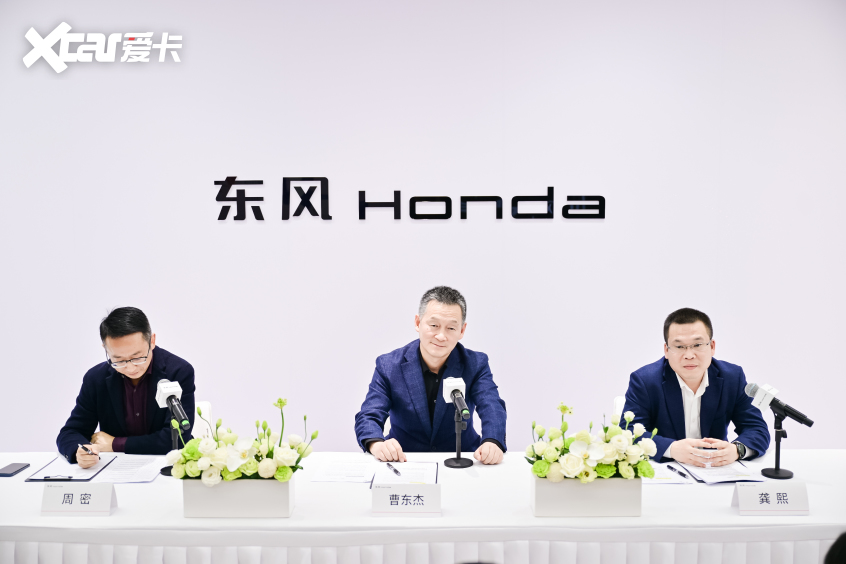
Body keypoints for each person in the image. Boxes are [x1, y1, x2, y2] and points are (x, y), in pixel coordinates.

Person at [355, 286, 507, 464]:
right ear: (418, 323)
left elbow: (492, 407)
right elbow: (369, 414)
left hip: (462, 458)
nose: (441, 336)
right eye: (434, 325)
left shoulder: (475, 364)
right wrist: (376, 444)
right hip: (404, 460)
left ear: (462, 330)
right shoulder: (389, 365)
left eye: (451, 328)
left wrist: (492, 441)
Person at [622, 308, 769, 468]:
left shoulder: (732, 377)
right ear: (666, 350)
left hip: (716, 469)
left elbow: (756, 428)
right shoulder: (645, 380)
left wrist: (737, 450)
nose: (689, 355)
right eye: (679, 347)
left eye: (697, 345)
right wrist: (671, 449)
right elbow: (628, 432)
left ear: (712, 346)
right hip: (666, 469)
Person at [56, 307, 196, 468]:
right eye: (119, 360)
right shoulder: (96, 378)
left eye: (138, 357)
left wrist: (115, 444)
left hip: (165, 466)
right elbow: (70, 432)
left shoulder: (178, 371)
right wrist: (80, 452)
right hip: (114, 469)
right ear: (106, 349)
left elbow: (177, 438)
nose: (130, 368)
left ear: (152, 341)